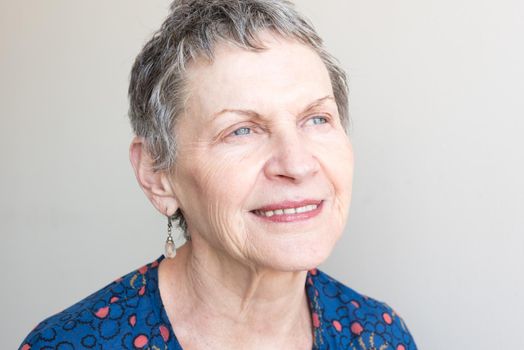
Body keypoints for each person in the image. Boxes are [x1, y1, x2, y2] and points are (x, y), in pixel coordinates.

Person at [19, 0, 417, 349]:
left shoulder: (379, 335)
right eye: (241, 130)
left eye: (316, 118)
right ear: (157, 173)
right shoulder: (68, 344)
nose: (297, 164)